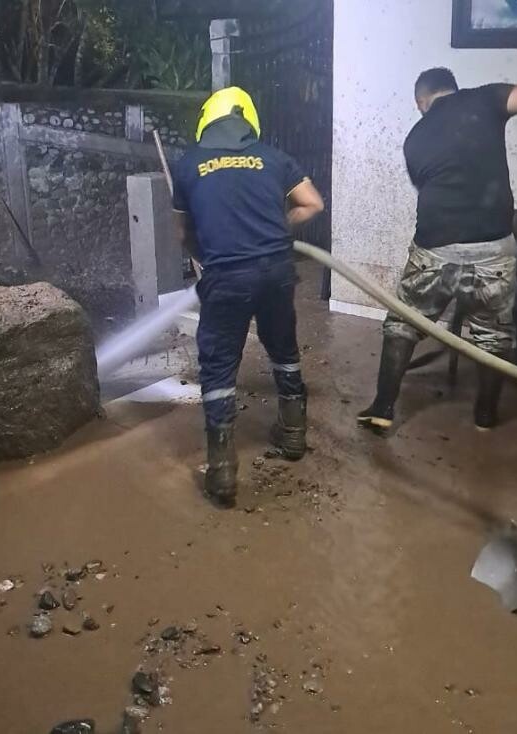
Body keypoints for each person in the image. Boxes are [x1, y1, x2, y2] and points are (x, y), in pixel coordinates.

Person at [358, 68, 517, 433]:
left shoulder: (414, 139)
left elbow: (442, 191)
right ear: (453, 88)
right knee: (492, 334)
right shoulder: (485, 98)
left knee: (403, 325)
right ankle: (485, 416)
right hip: (495, 246)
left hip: (435, 248)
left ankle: (382, 408)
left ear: (421, 101)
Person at [172, 87, 325, 506]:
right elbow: (312, 203)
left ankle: (222, 471)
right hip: (276, 270)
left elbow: (184, 234)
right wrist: (276, 228)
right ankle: (293, 435)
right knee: (283, 348)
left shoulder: (188, 165)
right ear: (248, 121)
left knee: (219, 364)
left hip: (226, 276)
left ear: (207, 121)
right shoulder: (274, 158)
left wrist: (210, 258)